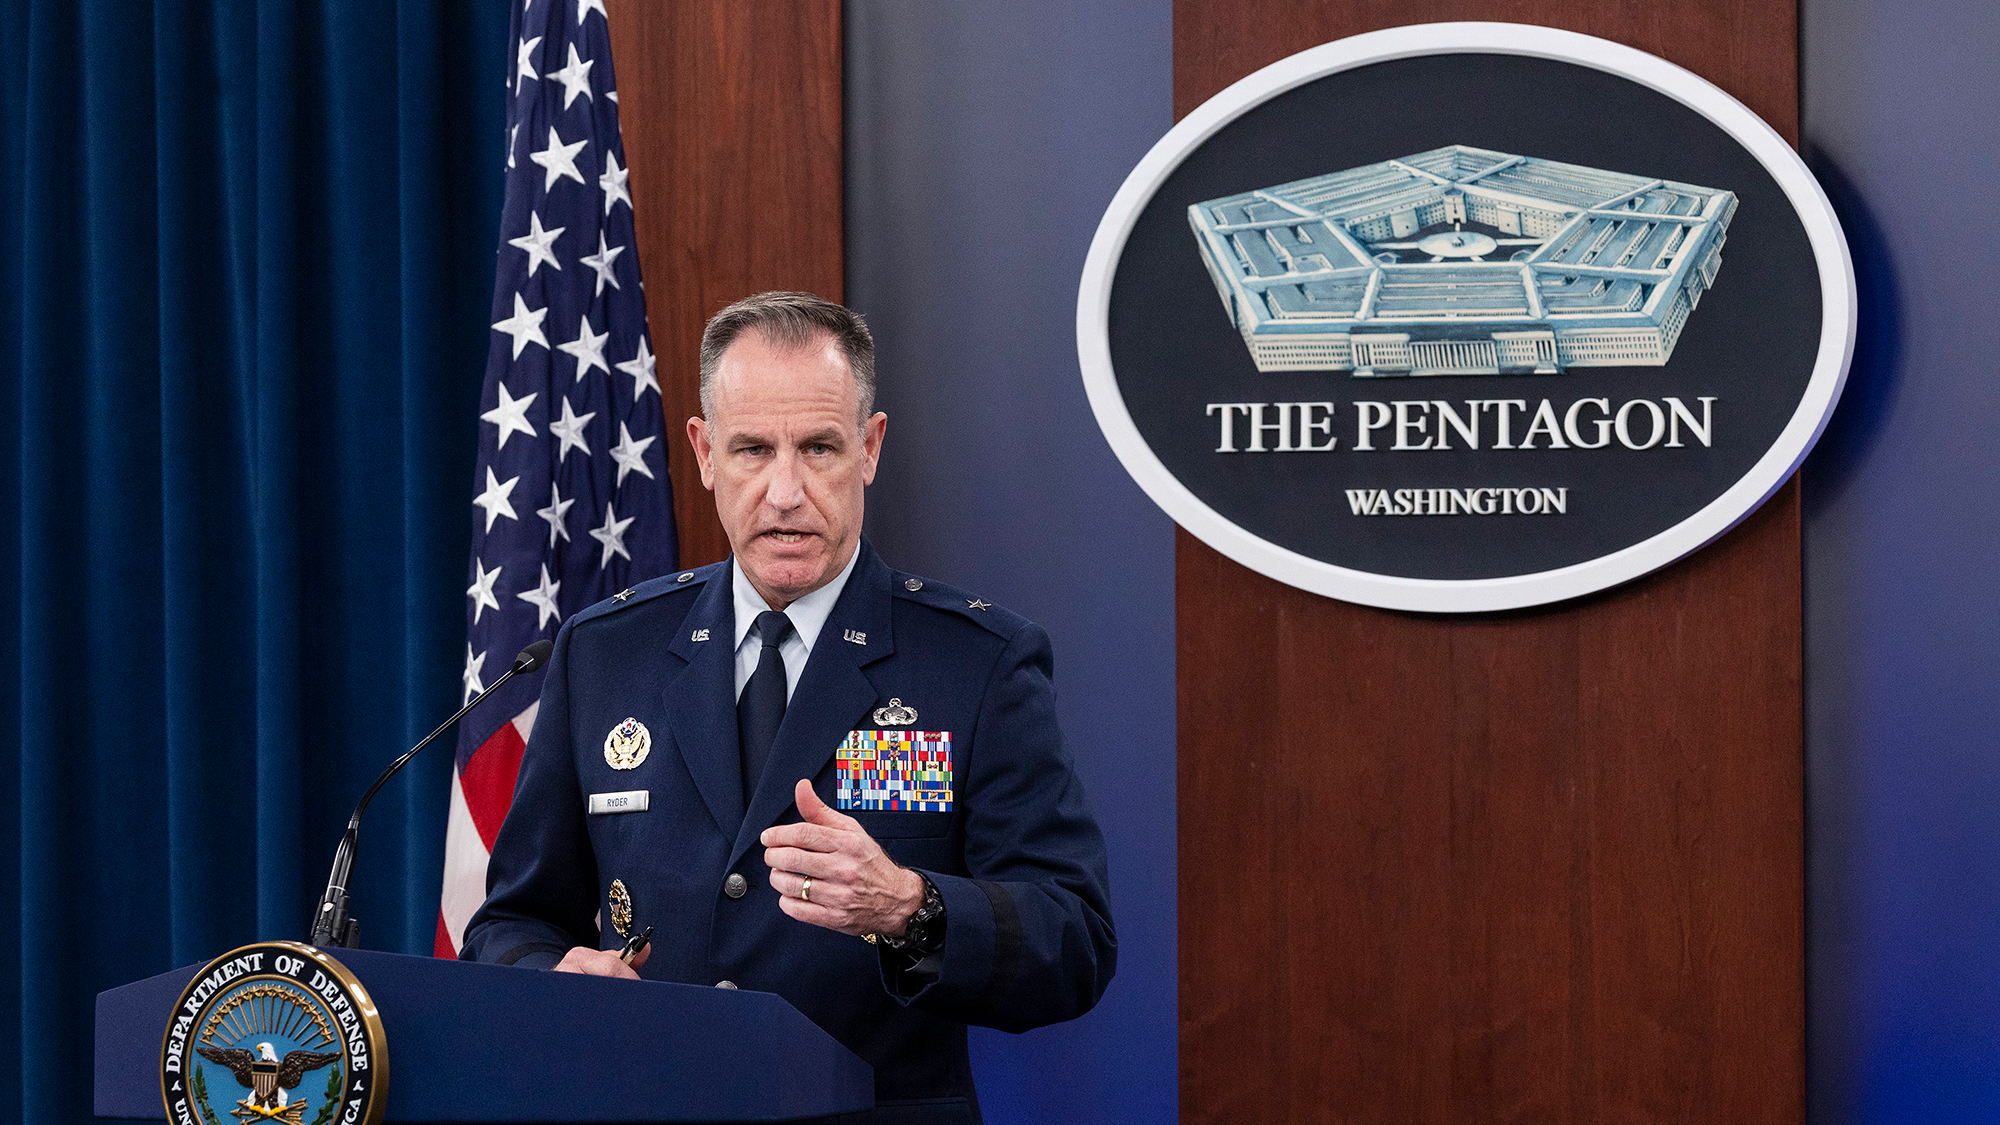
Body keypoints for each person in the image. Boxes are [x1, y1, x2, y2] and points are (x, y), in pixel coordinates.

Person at [461, 291, 1116, 1123]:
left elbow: (1075, 941)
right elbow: (513, 921)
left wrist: (910, 906)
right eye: (752, 449)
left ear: (870, 448)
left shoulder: (977, 663)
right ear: (702, 453)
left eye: (818, 447)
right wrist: (552, 975)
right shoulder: (603, 653)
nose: (785, 491)